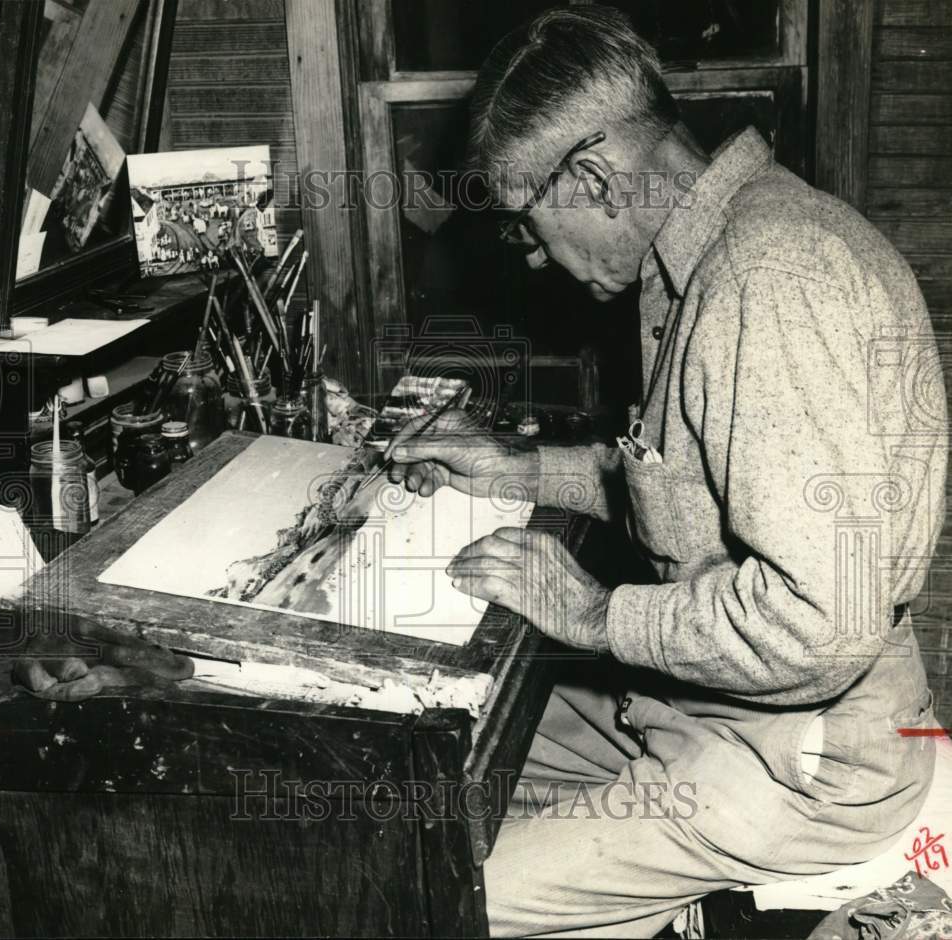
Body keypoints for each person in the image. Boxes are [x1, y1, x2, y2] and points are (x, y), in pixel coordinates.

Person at [386, 8, 948, 937]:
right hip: (711, 707)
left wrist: (597, 615)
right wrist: (516, 469)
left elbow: (824, 620)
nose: (541, 260)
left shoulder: (769, 279)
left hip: (807, 766)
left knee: (428, 900)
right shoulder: (714, 249)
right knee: (439, 759)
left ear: (595, 179)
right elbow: (688, 486)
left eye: (532, 226)